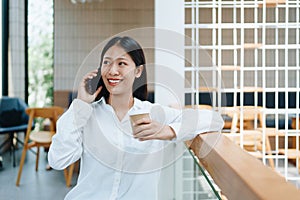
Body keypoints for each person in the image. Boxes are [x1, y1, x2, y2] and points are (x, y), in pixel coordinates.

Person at [48, 36, 224, 200]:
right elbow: (57, 160)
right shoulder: (85, 114)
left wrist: (168, 130)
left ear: (138, 71)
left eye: (122, 63)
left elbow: (214, 119)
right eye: (106, 63)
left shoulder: (153, 114)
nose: (112, 70)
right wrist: (80, 104)